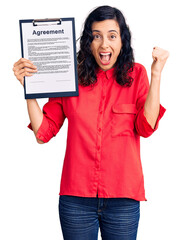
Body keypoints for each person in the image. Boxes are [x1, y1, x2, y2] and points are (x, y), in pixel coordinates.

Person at [13, 5, 169, 240]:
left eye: (112, 36)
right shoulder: (70, 77)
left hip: (123, 200)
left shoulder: (137, 74)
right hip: (76, 201)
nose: (104, 44)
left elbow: (146, 127)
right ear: (88, 42)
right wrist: (30, 90)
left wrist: (156, 74)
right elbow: (42, 133)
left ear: (122, 41)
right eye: (96, 36)